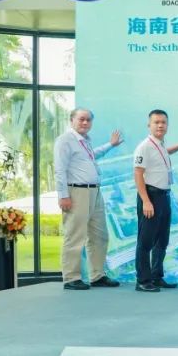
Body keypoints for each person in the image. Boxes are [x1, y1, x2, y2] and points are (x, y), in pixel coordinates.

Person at [53, 107, 123, 290]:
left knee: (99, 235)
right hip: (77, 193)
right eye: (81, 119)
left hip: (95, 192)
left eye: (88, 120)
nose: (85, 122)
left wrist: (110, 145)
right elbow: (59, 170)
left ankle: (97, 275)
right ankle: (71, 277)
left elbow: (92, 156)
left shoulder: (84, 141)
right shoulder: (65, 140)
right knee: (75, 235)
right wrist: (63, 196)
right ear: (72, 120)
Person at [133, 109, 178, 293]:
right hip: (151, 197)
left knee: (162, 239)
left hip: (164, 197)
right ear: (149, 125)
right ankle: (143, 281)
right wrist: (146, 201)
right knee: (145, 241)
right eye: (156, 122)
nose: (160, 125)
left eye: (163, 122)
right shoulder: (144, 146)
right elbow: (138, 174)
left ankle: (156, 277)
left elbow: (165, 153)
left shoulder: (159, 144)